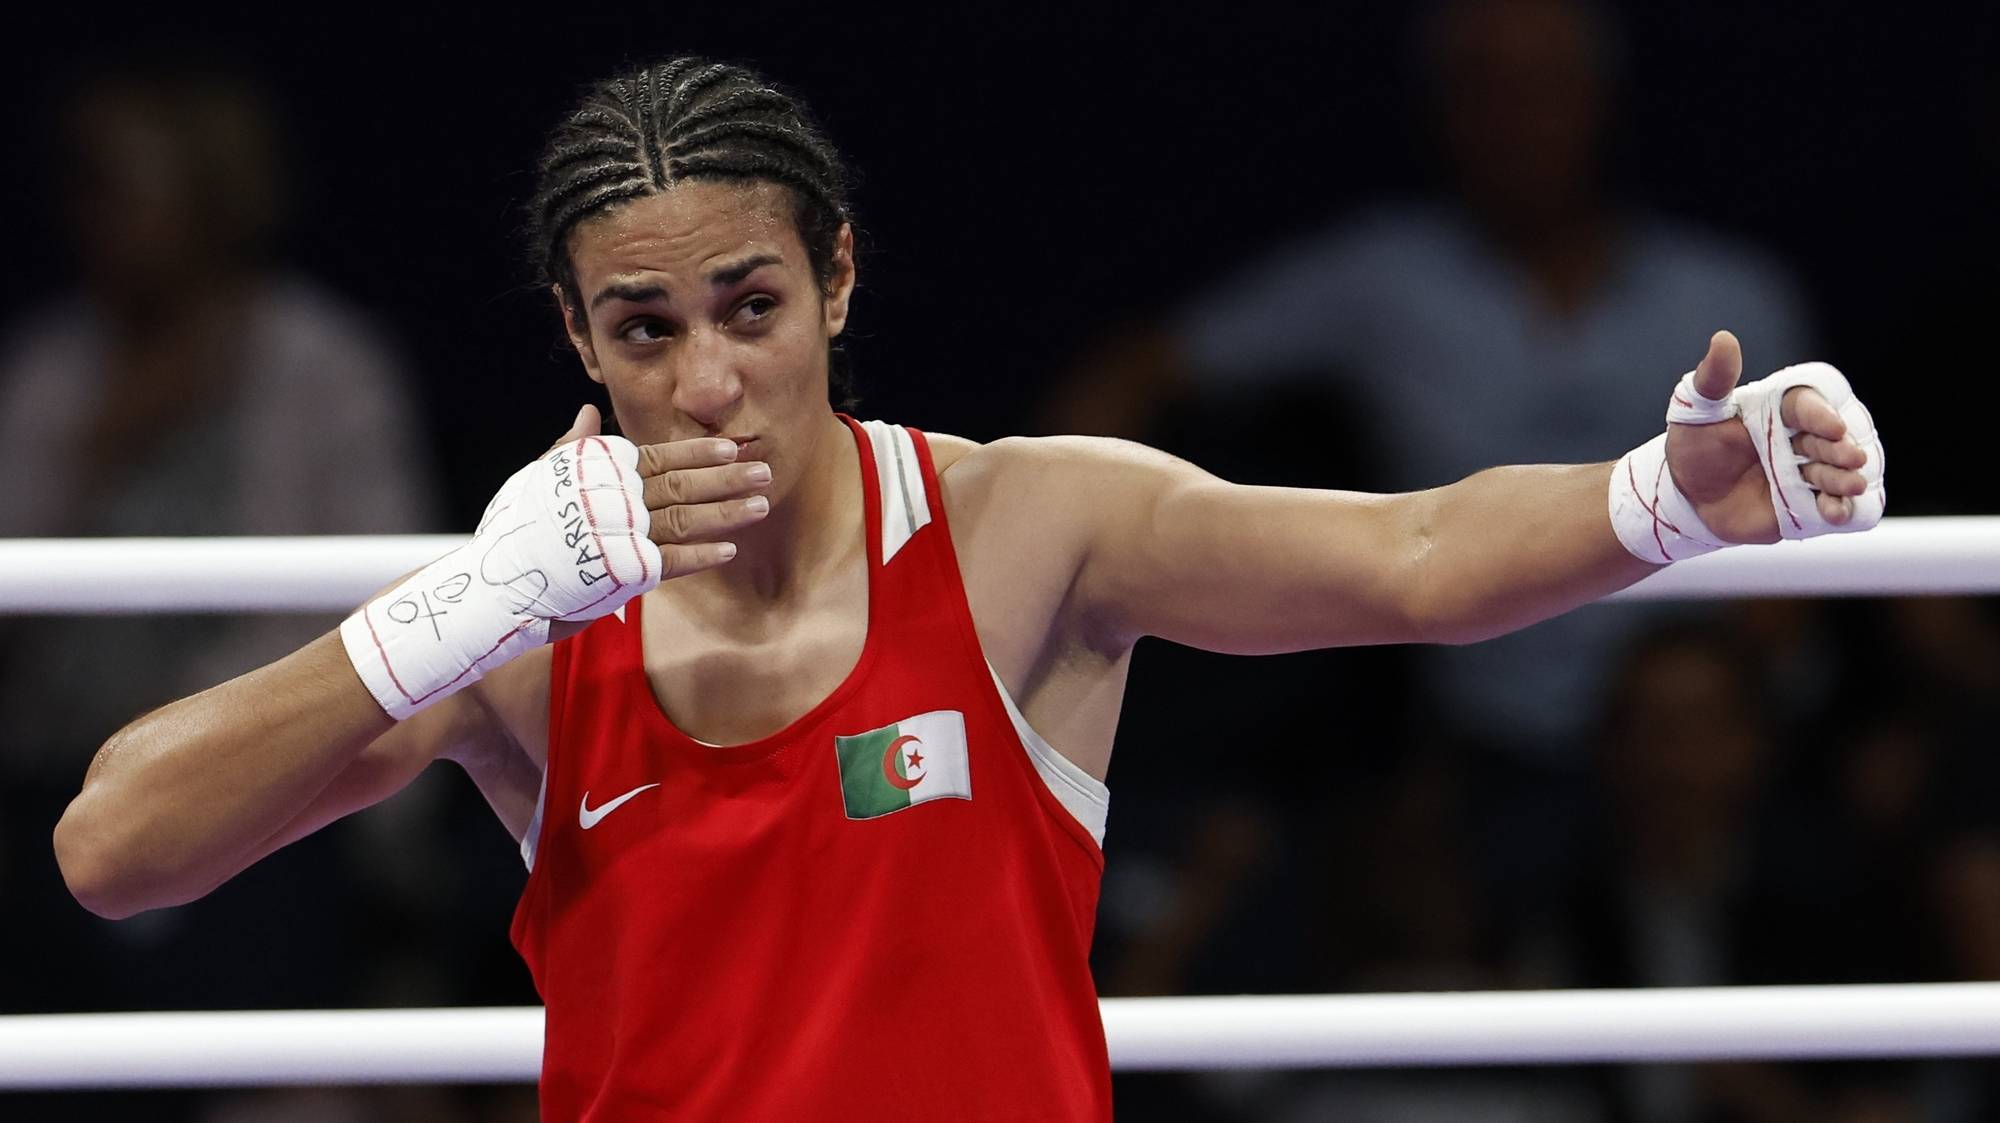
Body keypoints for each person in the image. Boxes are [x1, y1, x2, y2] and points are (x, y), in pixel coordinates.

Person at [51, 59, 1885, 1122]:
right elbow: (116, 851)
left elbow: (1405, 559)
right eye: (645, 328)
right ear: (575, 339)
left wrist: (1664, 499)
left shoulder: (1030, 531)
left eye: (749, 308)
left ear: (837, 282)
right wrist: (465, 604)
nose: (705, 382)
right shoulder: (526, 630)